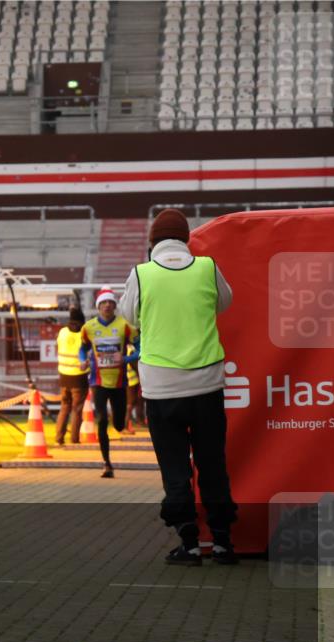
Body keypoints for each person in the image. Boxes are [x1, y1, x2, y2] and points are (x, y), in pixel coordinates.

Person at [118, 208, 238, 566]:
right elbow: (224, 302)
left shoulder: (141, 274)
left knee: (174, 468)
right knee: (212, 463)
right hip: (206, 383)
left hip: (161, 387)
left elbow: (129, 316)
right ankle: (222, 542)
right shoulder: (207, 267)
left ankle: (189, 542)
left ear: (152, 242)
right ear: (186, 239)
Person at [79, 287, 140, 478]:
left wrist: (126, 359)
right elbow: (82, 348)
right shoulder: (88, 327)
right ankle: (107, 464)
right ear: (98, 306)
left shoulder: (125, 325)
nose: (107, 305)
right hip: (97, 382)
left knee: (119, 425)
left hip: (119, 383)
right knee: (102, 420)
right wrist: (83, 360)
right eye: (103, 302)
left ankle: (118, 420)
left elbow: (141, 349)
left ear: (115, 306)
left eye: (110, 302)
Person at [54, 307, 89, 446]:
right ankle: (74, 439)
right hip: (79, 378)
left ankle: (59, 438)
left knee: (64, 408)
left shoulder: (62, 332)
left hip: (63, 376)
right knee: (77, 410)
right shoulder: (84, 334)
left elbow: (57, 347)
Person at [123, 344, 142, 435]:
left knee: (129, 405)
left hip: (126, 381)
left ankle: (127, 425)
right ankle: (125, 427)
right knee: (129, 405)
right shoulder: (132, 350)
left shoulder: (124, 347)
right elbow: (136, 366)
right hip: (131, 381)